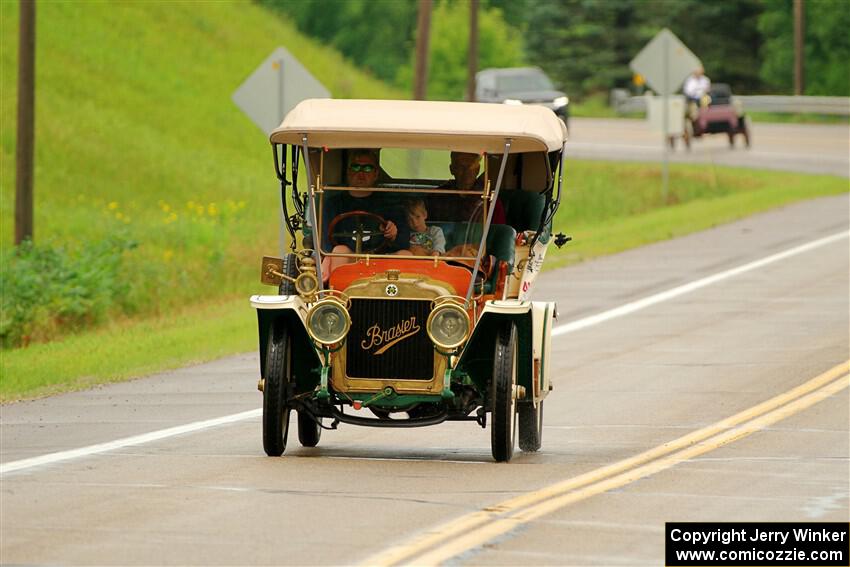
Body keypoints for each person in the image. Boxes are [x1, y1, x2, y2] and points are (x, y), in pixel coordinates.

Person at [321, 149, 411, 277]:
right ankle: (336, 289)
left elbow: (404, 243)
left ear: (376, 174)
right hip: (349, 257)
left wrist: (393, 234)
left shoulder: (391, 204)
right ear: (348, 172)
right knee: (339, 251)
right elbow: (325, 239)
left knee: (405, 255)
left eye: (367, 168)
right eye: (356, 167)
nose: (361, 173)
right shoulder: (333, 204)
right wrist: (327, 257)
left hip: (382, 259)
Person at [431, 152, 506, 224]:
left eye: (471, 167)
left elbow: (497, 230)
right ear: (452, 169)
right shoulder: (438, 195)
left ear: (478, 170)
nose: (466, 171)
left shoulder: (490, 199)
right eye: (460, 167)